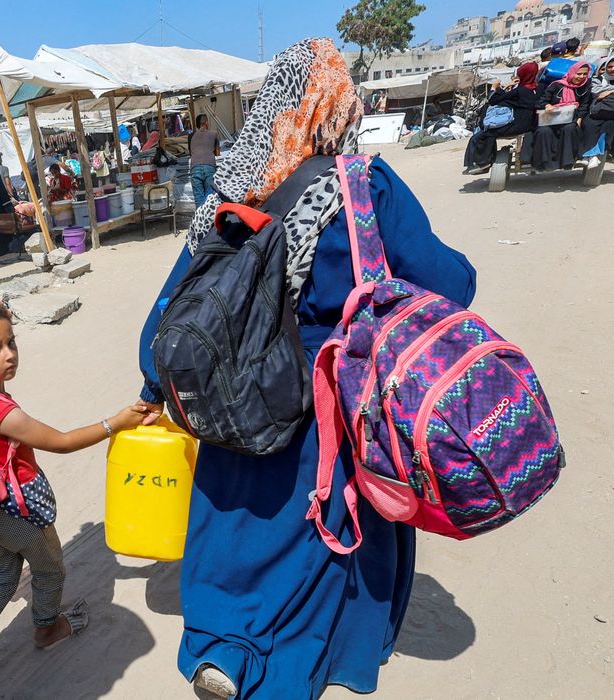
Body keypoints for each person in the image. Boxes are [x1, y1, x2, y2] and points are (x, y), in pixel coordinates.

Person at [134, 38, 476, 700]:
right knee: (319, 538)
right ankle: (293, 672)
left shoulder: (233, 190)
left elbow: (170, 314)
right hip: (325, 408)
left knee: (232, 530)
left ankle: (223, 655)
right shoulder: (364, 187)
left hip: (229, 405)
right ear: (335, 105)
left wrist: (154, 388)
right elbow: (449, 285)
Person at [0, 301, 148, 696]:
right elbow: (62, 442)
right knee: (49, 570)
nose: (10, 354)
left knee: (2, 575)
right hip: (19, 514)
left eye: (11, 342)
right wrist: (115, 423)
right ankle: (47, 627)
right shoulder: (0, 410)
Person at [464, 62, 540, 174]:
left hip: (519, 124)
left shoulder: (519, 91)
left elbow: (494, 100)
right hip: (531, 123)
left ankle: (483, 162)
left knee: (489, 132)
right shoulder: (538, 88)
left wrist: (495, 88)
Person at [528, 62, 593, 172]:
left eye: (584, 74)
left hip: (570, 119)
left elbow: (584, 105)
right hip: (551, 119)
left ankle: (567, 162)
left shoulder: (585, 87)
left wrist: (579, 119)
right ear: (572, 73)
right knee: (543, 131)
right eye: (578, 74)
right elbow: (541, 102)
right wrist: (547, 105)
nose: (581, 77)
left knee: (570, 129)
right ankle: (543, 163)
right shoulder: (556, 85)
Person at [189, 114, 221, 207]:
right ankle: (210, 220)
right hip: (209, 167)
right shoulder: (214, 133)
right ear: (206, 123)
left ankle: (200, 220)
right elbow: (218, 153)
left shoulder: (191, 136)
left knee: (198, 198)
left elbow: (191, 153)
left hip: (195, 168)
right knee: (210, 197)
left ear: (197, 125)